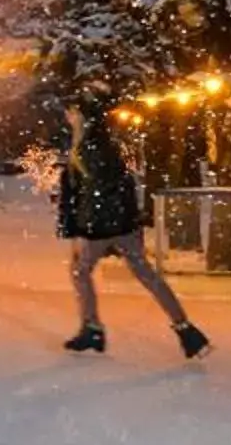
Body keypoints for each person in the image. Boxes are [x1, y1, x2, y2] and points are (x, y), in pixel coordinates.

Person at [57, 94, 210, 359]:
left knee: (81, 272)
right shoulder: (100, 144)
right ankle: (186, 330)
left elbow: (97, 190)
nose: (67, 117)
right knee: (145, 273)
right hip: (122, 222)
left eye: (71, 112)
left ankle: (92, 328)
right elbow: (114, 186)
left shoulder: (90, 147)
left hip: (103, 225)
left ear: (82, 117)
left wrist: (85, 227)